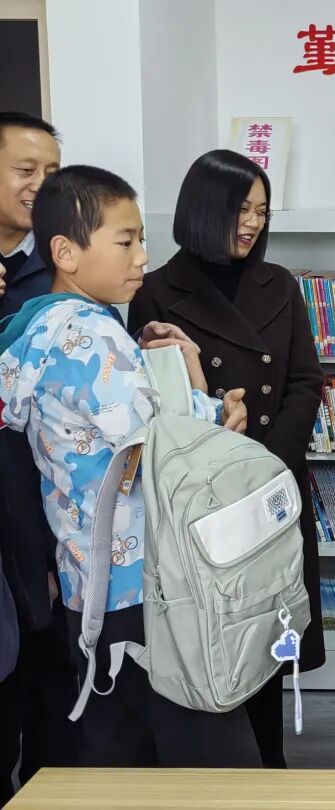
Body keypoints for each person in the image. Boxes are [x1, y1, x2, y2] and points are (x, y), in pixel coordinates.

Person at [0, 165, 260, 768]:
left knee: (120, 742)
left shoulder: (37, 325)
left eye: (142, 239)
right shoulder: (91, 334)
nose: (142, 256)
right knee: (207, 753)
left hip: (91, 582)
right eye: (125, 241)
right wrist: (211, 404)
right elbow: (167, 455)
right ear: (65, 252)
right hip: (150, 583)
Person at [127, 149, 325, 769]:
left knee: (266, 631)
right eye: (242, 210)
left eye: (262, 212)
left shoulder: (280, 283)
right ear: (205, 209)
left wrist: (264, 468)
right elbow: (160, 409)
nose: (253, 223)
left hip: (271, 491)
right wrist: (228, 465)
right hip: (204, 502)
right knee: (213, 636)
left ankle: (270, 768)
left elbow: (304, 382)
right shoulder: (156, 291)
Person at [0, 111, 76, 804]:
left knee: (55, 700)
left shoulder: (60, 275)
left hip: (46, 516)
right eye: (26, 170)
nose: (42, 185)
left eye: (52, 172)